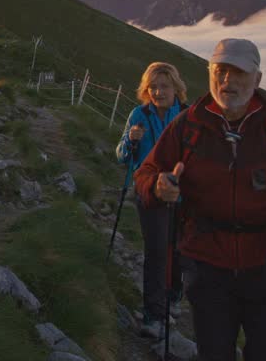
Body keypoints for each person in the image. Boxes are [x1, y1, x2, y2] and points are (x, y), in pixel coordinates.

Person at [134, 39, 266, 360]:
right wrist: (158, 187)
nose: (228, 80)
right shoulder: (188, 126)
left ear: (257, 79)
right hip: (208, 268)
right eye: (221, 71)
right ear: (210, 73)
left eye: (238, 72)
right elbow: (146, 172)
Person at [116, 61, 188, 338]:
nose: (158, 92)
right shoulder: (139, 114)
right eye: (153, 87)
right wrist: (130, 141)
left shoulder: (185, 114)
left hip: (183, 192)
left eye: (164, 86)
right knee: (157, 251)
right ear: (146, 90)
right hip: (148, 190)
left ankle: (174, 292)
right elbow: (122, 155)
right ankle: (153, 315)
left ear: (176, 88)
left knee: (180, 248)